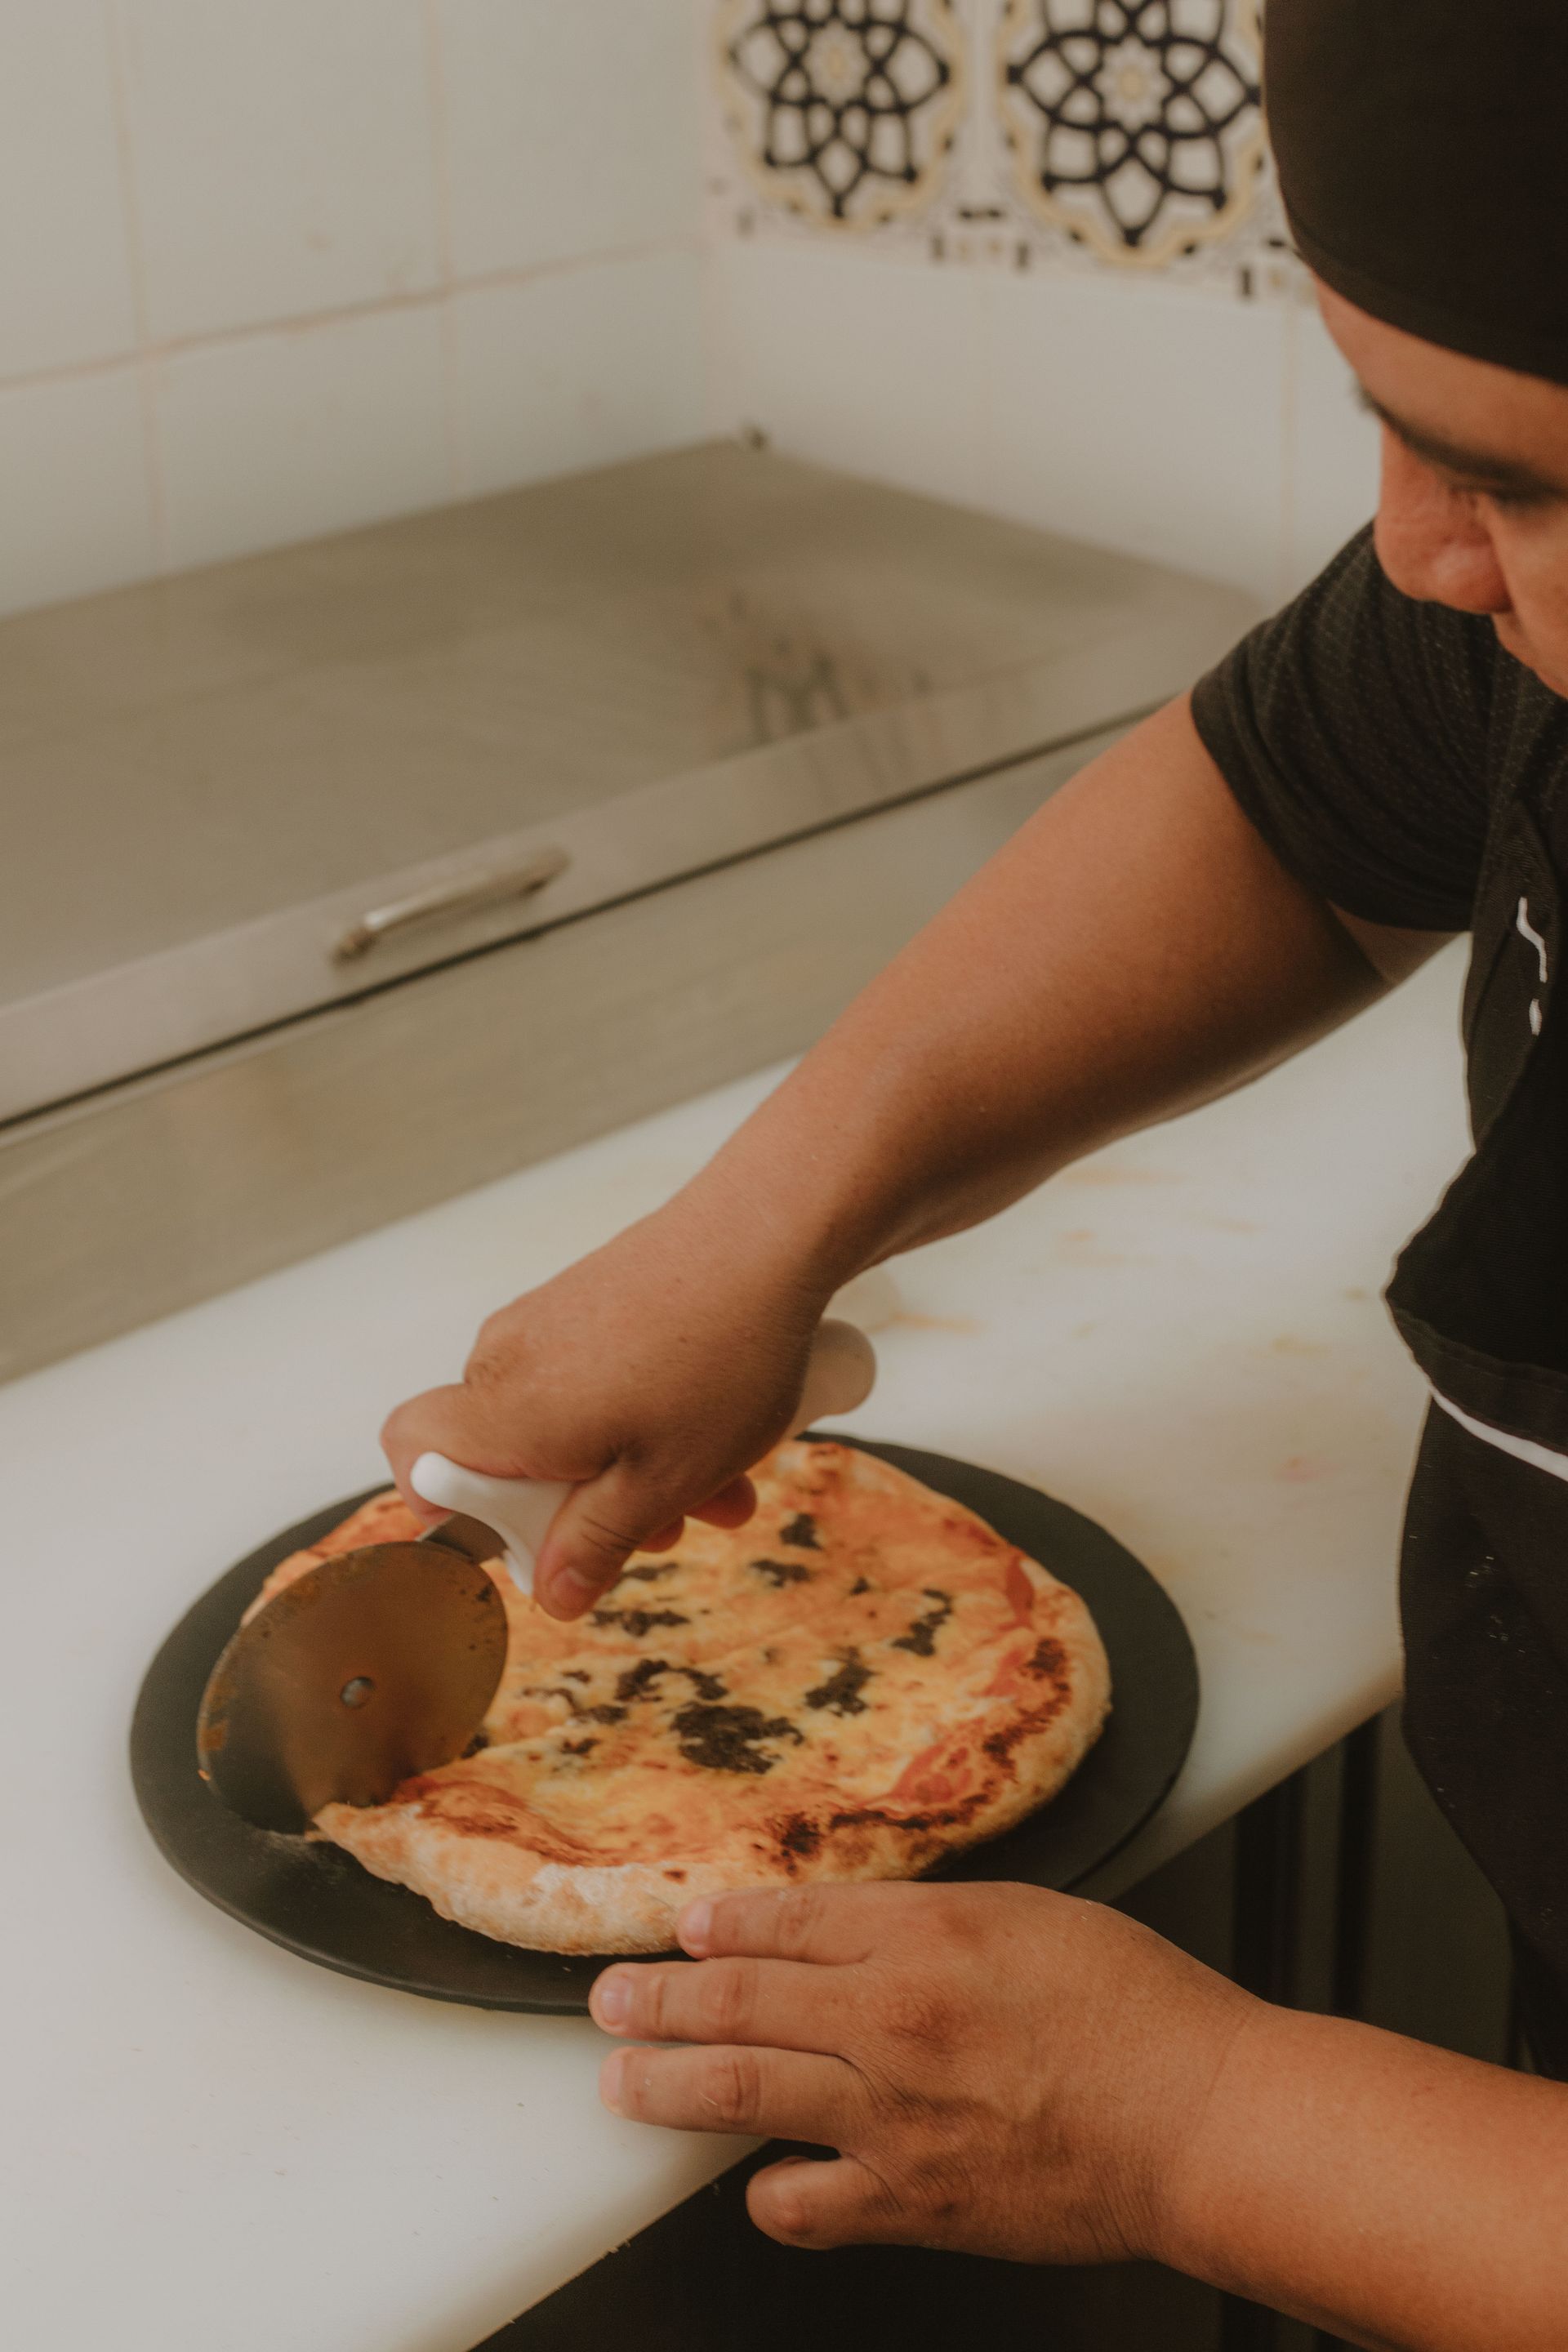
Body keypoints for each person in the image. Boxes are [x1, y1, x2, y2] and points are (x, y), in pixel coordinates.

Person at [382, 4, 1568, 2341]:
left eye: (1523, 480)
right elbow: (1296, 794)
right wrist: (770, 1220)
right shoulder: (1503, 610)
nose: (1419, 554)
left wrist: (1206, 2128)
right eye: (1392, 439)